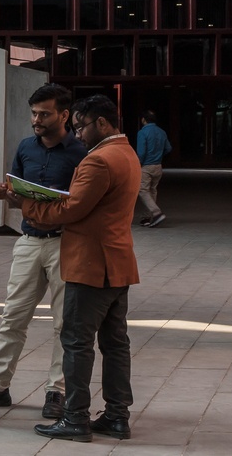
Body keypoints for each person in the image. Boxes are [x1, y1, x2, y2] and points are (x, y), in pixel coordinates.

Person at [14, 95, 141, 443]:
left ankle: (75, 418)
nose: (78, 134)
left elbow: (71, 210)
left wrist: (26, 204)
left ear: (102, 123)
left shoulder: (99, 160)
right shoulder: (128, 153)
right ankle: (117, 415)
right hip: (118, 263)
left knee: (76, 342)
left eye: (82, 126)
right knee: (115, 344)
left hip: (91, 266)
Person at [0, 84, 85, 418]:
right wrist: (7, 194)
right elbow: (18, 194)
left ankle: (56, 391)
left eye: (44, 114)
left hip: (66, 243)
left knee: (65, 324)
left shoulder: (80, 153)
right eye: (34, 113)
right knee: (13, 317)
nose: (37, 119)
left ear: (63, 115)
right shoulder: (25, 148)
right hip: (29, 241)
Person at [133, 111, 169, 227]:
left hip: (146, 166)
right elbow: (168, 148)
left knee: (142, 190)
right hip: (158, 166)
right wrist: (158, 155)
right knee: (152, 191)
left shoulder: (142, 132)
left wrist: (138, 164)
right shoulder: (162, 132)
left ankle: (157, 213)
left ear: (143, 120)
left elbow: (142, 152)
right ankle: (146, 218)